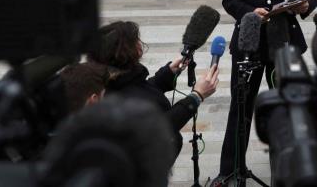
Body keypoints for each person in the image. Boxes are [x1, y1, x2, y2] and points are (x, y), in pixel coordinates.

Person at [211, 0, 317, 186]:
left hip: (285, 40)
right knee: (241, 106)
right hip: (249, 41)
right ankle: (231, 170)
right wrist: (250, 12)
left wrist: (305, 5)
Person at [87, 20, 219, 156]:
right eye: (136, 41)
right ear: (128, 51)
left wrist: (168, 73)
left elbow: (142, 90)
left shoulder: (117, 79)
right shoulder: (121, 98)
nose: (140, 44)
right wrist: (196, 96)